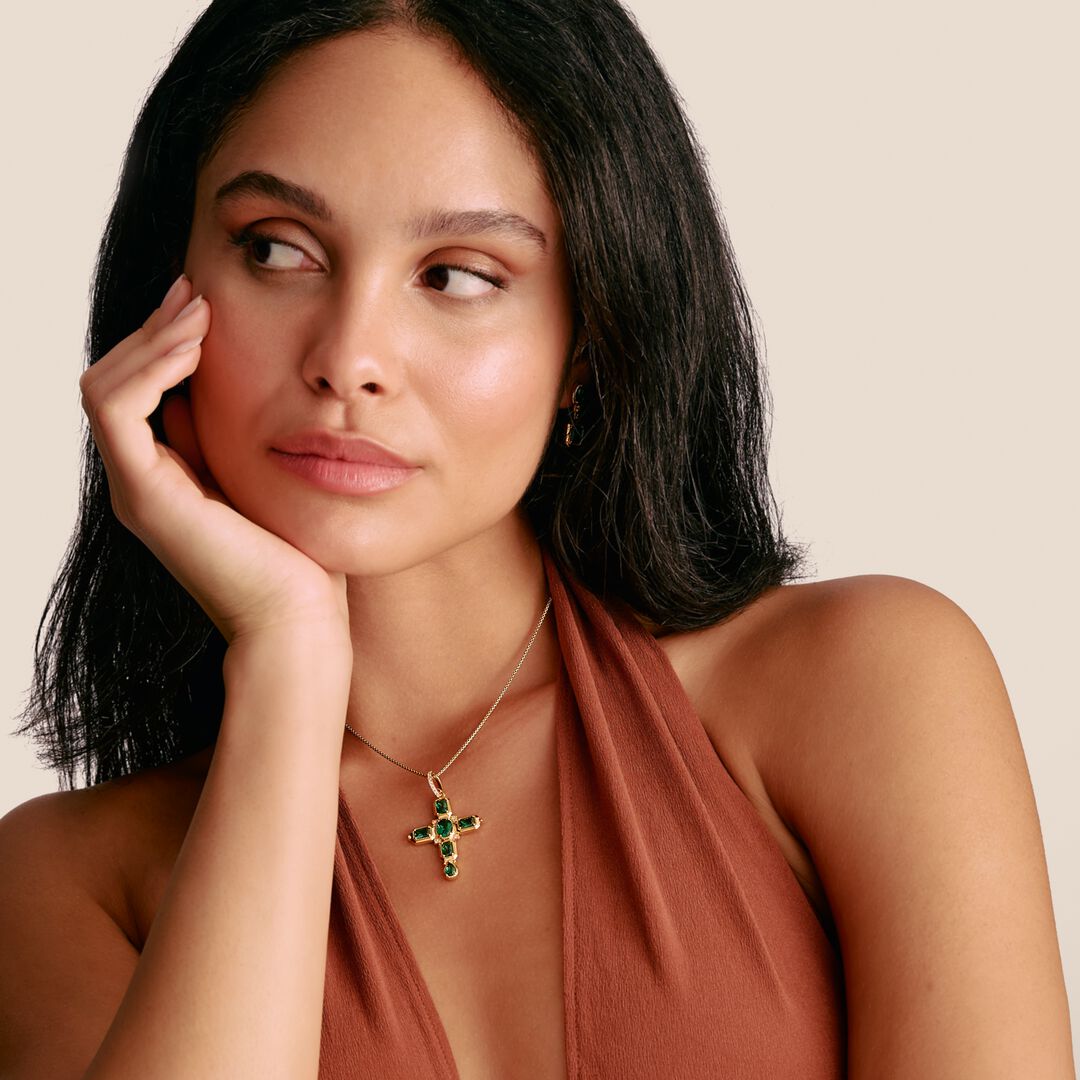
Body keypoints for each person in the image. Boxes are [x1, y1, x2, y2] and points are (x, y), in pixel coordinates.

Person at [0, 0, 1073, 1077]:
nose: (349, 358)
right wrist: (288, 655)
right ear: (167, 286)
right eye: (277, 249)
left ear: (587, 345)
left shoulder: (862, 685)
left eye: (457, 275)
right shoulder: (64, 882)